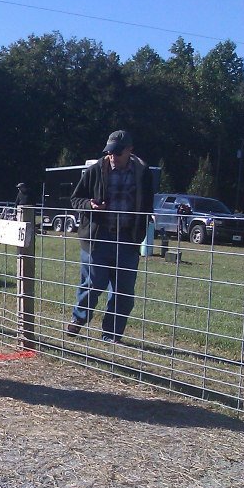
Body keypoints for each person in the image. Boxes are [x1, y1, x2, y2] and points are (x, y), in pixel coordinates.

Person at [67, 130, 154, 344]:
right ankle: (79, 318)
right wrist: (90, 205)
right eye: (110, 152)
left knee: (123, 291)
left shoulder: (143, 173)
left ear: (129, 150)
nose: (112, 157)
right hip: (99, 237)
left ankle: (112, 335)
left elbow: (147, 204)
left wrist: (140, 232)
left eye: (117, 152)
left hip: (128, 238)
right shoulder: (96, 169)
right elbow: (75, 198)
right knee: (93, 283)